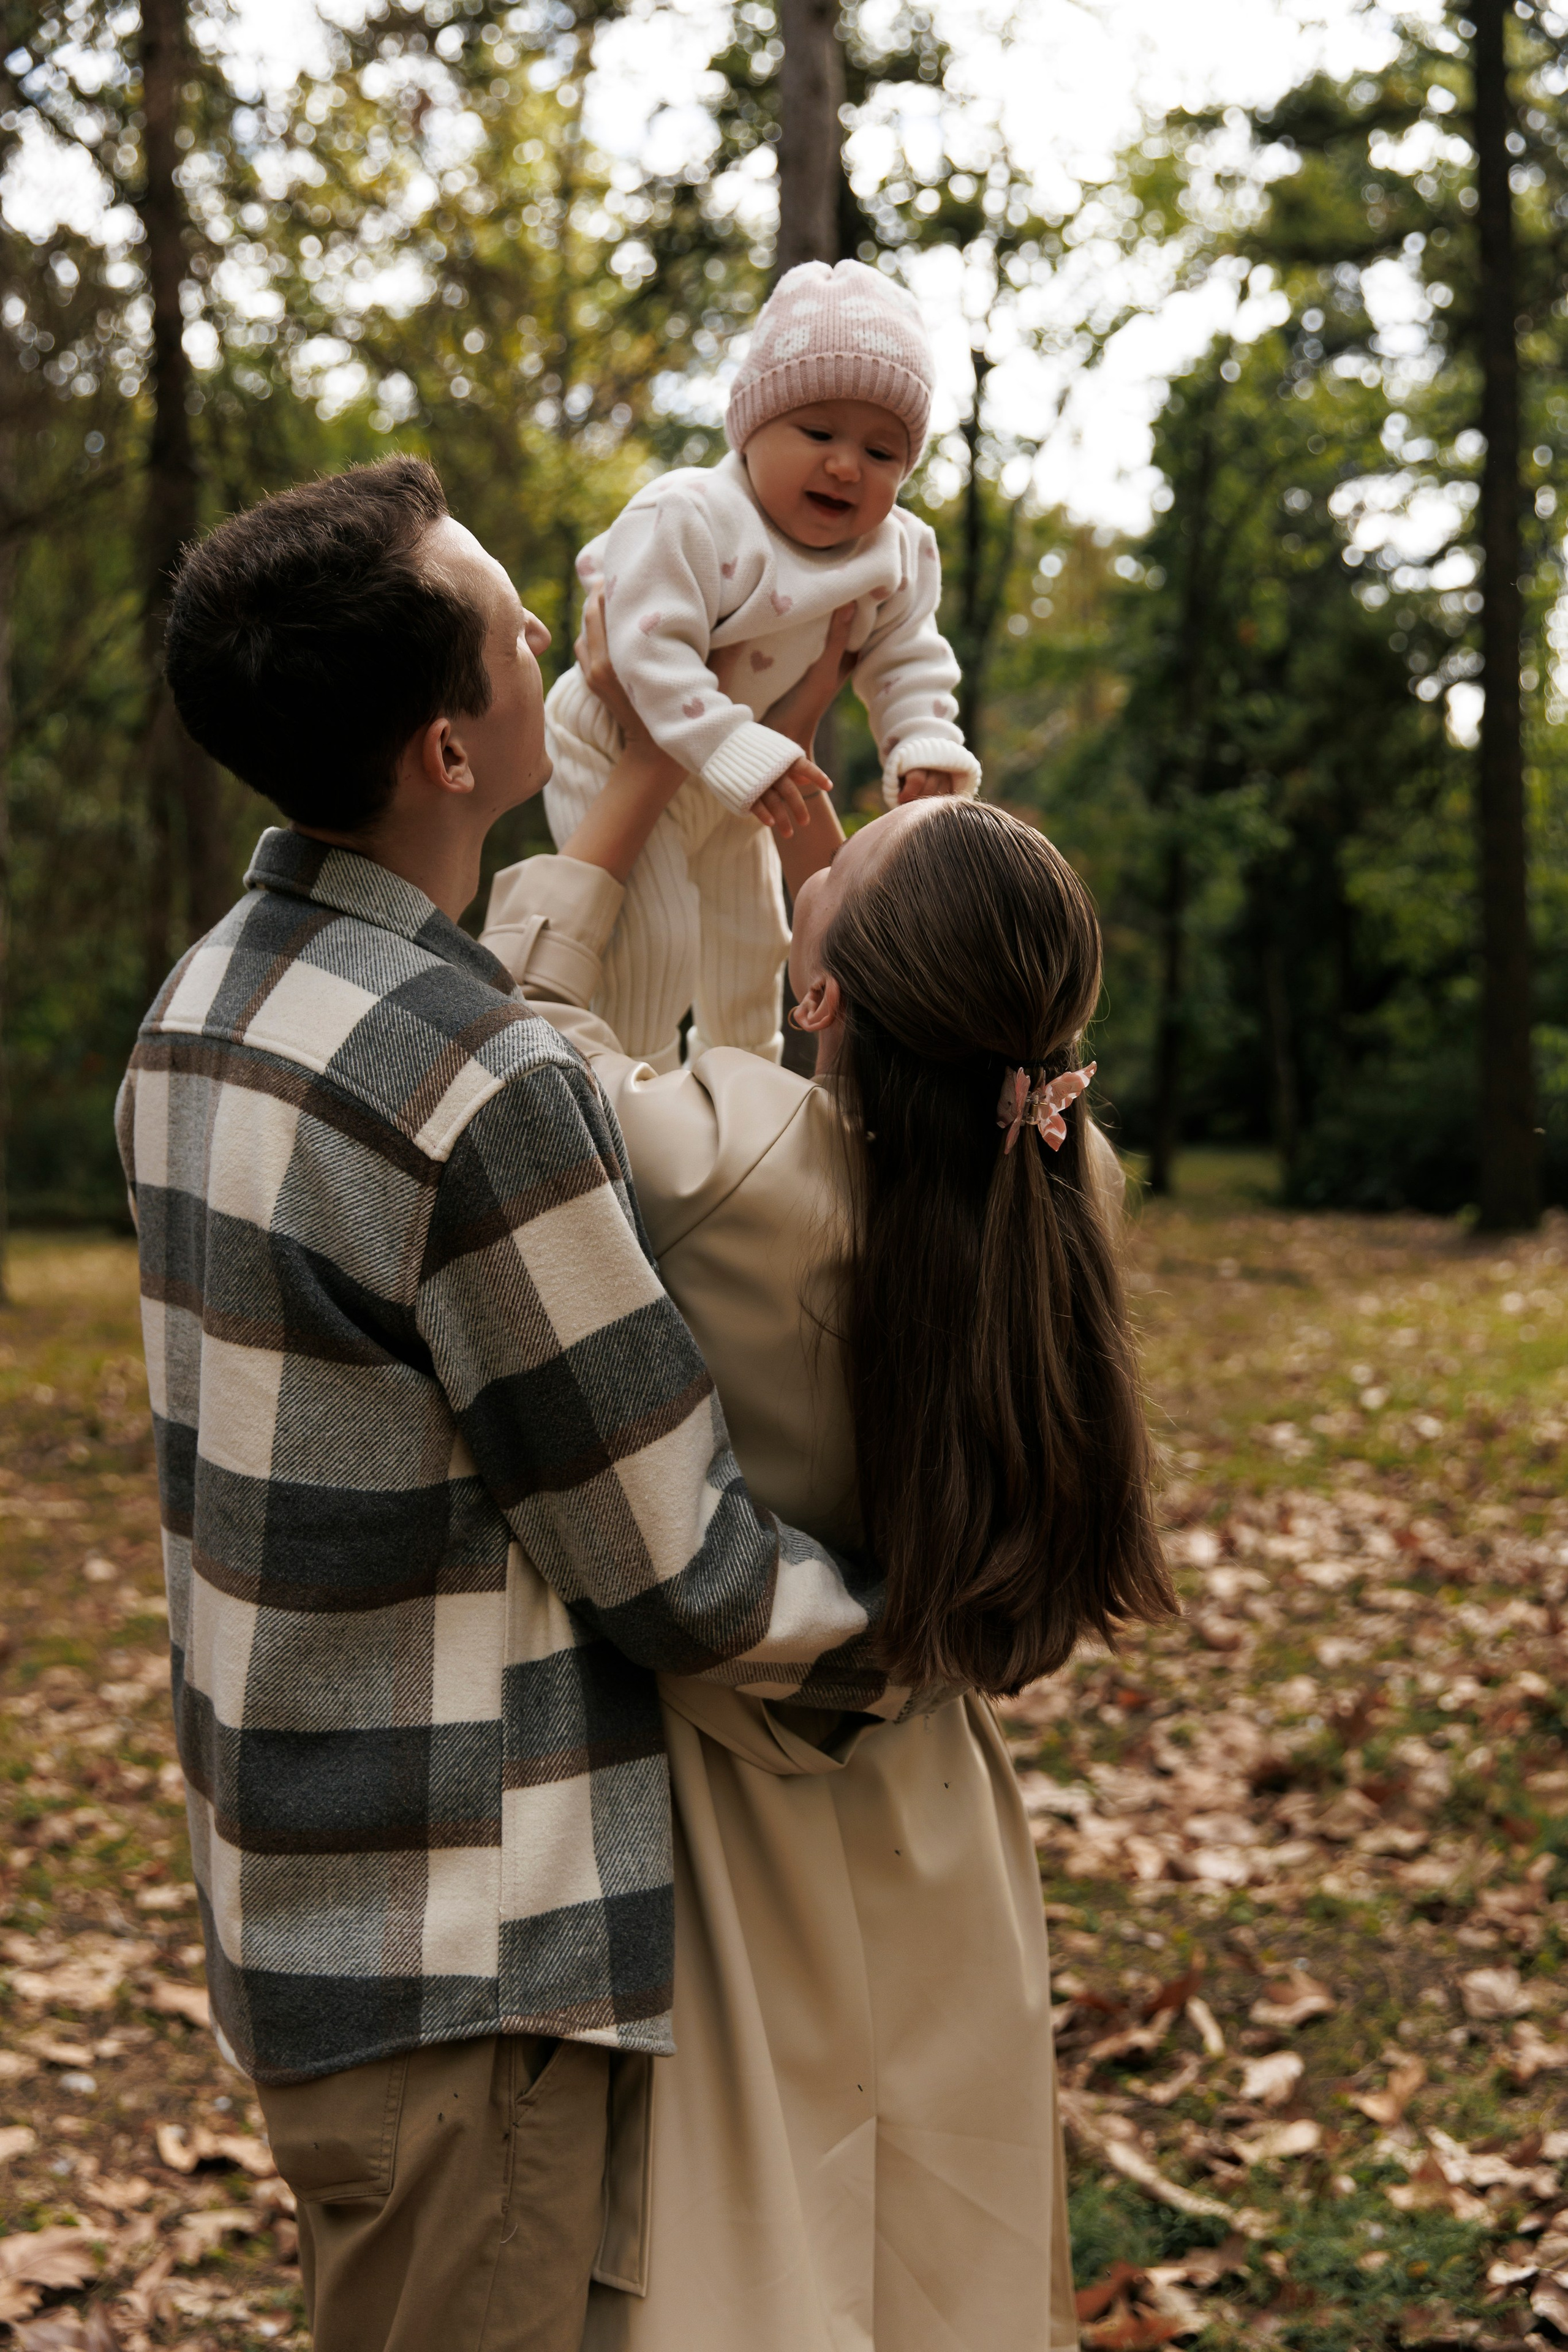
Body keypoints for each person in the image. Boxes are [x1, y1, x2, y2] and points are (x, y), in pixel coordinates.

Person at [115, 456, 911, 2352]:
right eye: (506, 620)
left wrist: (653, 775)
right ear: (449, 749)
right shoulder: (472, 1086)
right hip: (465, 1963)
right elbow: (677, 1563)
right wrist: (933, 1627)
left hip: (303, 1902)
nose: (551, 628)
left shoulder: (207, 1007)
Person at [481, 600, 1175, 2351]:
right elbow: (909, 1101)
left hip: (725, 1783)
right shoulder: (1065, 1191)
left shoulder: (718, 1158)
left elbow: (522, 1042)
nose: (843, 822)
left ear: (823, 997)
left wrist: (639, 785)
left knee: (747, 2251)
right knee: (941, 2232)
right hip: (930, 1784)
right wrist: (842, 911)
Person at [542, 258, 981, 1071]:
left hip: (748, 777)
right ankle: (631, 1102)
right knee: (655, 940)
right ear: (752, 428)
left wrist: (921, 742)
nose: (847, 466)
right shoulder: (693, 515)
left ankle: (740, 1095)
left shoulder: (898, 553)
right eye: (819, 434)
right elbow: (646, 649)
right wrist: (736, 747)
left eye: (881, 451)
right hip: (619, 748)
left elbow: (909, 655)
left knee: (754, 943)